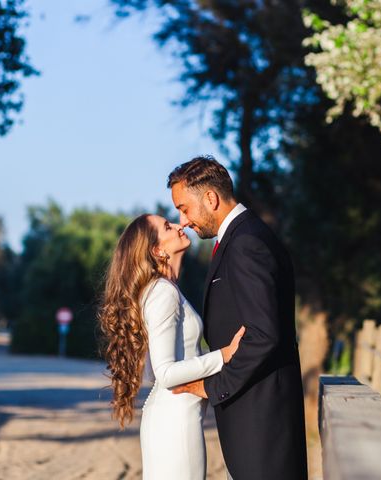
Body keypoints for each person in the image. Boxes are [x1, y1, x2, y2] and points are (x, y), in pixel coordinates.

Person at [169, 156, 308, 479]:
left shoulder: (246, 243)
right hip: (254, 417)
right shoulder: (241, 238)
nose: (183, 220)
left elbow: (264, 335)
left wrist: (212, 386)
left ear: (211, 198)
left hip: (263, 421)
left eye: (184, 208)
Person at [99, 213, 245, 479]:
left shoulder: (165, 290)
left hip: (173, 418)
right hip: (175, 423)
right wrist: (223, 356)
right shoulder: (162, 292)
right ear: (157, 249)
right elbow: (165, 372)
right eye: (168, 226)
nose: (180, 225)